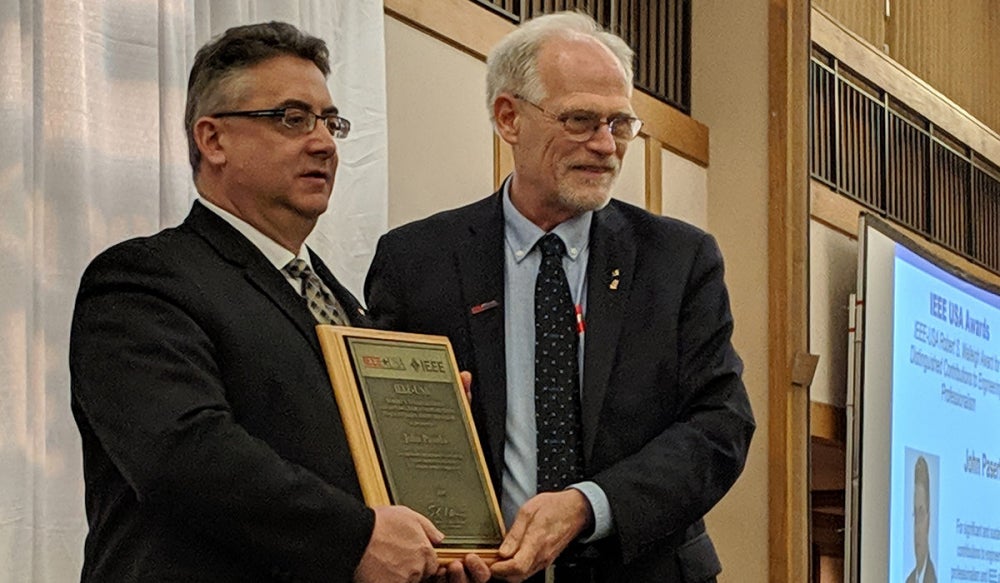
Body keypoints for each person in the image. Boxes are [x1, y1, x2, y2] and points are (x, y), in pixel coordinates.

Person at [69, 22, 488, 583]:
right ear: (212, 139)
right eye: (291, 118)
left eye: (329, 121)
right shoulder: (143, 279)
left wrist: (431, 517)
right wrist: (356, 538)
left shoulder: (342, 303)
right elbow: (182, 454)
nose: (323, 142)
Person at [364, 11, 755, 583]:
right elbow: (376, 431)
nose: (605, 146)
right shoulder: (417, 261)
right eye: (580, 120)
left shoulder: (678, 260)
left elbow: (721, 427)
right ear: (508, 117)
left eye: (620, 124)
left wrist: (585, 506)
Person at [906, 456, 936, 583]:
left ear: (929, 520)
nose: (916, 529)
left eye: (921, 513)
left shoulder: (934, 578)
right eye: (915, 515)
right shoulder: (909, 580)